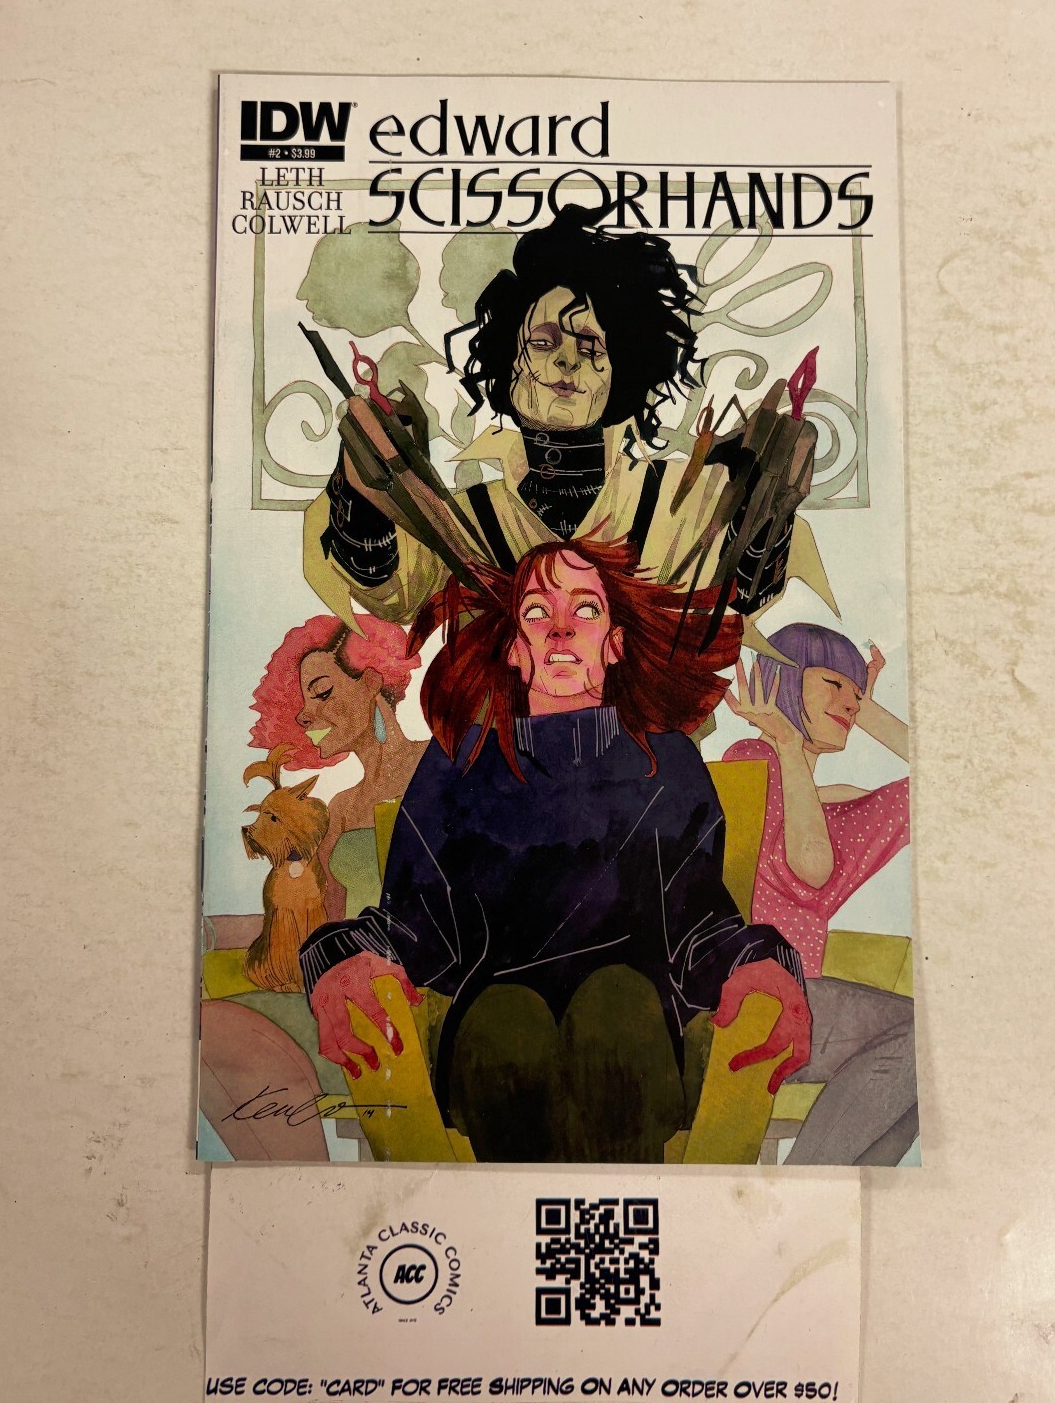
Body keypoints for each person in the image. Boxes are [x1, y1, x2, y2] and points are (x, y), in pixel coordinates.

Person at [298, 538, 811, 1163]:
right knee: (505, 1018)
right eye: (537, 612)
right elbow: (414, 924)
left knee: (615, 1002)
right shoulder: (460, 761)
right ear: (516, 649)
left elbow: (699, 921)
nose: (561, 628)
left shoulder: (667, 760)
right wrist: (337, 959)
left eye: (585, 609)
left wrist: (760, 962)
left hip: (635, 1037)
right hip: (492, 1036)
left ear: (614, 644)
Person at [303, 204, 833, 636]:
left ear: (620, 374)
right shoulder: (463, 520)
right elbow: (393, 597)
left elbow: (743, 597)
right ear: (508, 364)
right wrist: (362, 493)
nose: (567, 361)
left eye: (591, 347)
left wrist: (770, 507)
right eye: (543, 343)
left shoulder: (683, 499)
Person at [722, 623, 916, 1165]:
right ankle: (807, 1185)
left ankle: (828, 1189)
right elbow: (809, 867)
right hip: (748, 1000)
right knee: (928, 1041)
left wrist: (868, 711)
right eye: (832, 683)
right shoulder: (751, 759)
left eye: (856, 692)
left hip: (804, 1007)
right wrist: (787, 741)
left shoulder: (842, 812)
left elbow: (951, 785)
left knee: (929, 1063)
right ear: (781, 682)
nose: (848, 701)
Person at [248, 613, 428, 922]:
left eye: (321, 692)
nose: (304, 715)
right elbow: (332, 917)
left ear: (370, 682)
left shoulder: (436, 761)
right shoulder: (341, 809)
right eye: (303, 702)